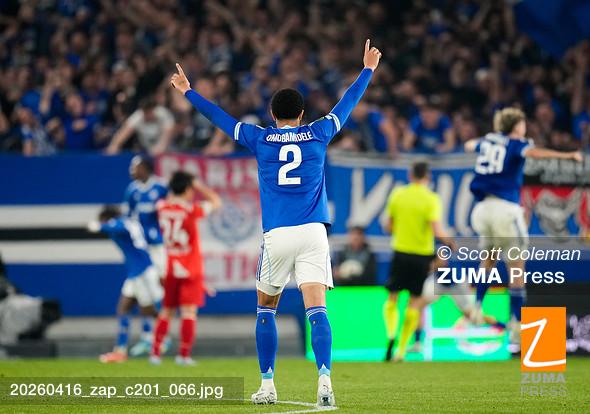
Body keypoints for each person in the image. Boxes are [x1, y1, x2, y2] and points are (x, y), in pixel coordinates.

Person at [169, 39, 382, 407]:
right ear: (302, 113)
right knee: (317, 310)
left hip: (278, 235)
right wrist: (367, 70)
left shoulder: (261, 138)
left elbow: (220, 118)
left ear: (271, 112)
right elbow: (347, 103)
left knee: (266, 309)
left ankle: (267, 385)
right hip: (314, 232)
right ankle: (325, 383)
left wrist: (189, 92)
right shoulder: (319, 132)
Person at [465, 107, 582, 351]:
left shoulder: (489, 140)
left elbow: (469, 145)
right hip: (506, 210)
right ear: (516, 126)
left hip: (482, 209)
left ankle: (476, 307)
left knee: (488, 260)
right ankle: (516, 323)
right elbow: (534, 153)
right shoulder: (517, 143)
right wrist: (567, 156)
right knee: (516, 267)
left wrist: (481, 142)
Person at [382, 161, 456, 362]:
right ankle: (401, 351)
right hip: (422, 256)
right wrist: (449, 242)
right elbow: (437, 230)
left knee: (392, 298)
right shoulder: (431, 198)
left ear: (410, 175)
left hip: (401, 252)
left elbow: (388, 226)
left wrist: (403, 230)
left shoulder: (398, 194)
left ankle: (391, 333)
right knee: (414, 302)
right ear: (428, 177)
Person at [150, 171, 222, 365]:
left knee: (167, 311)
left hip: (170, 266)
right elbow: (216, 201)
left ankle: (155, 353)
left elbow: (167, 199)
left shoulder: (161, 207)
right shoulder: (191, 210)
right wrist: (198, 185)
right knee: (189, 312)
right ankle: (183, 355)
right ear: (188, 189)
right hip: (190, 267)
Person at [87, 205, 163, 363]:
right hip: (136, 272)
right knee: (123, 308)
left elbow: (117, 227)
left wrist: (99, 226)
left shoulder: (121, 223)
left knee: (147, 310)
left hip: (143, 272)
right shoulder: (129, 222)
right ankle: (120, 350)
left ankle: (160, 337)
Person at [122, 155, 168, 356]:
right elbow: (127, 218)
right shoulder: (132, 191)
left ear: (146, 168)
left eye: (136, 167)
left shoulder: (161, 188)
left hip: (158, 248)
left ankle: (160, 336)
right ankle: (149, 336)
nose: (132, 170)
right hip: (142, 250)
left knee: (160, 288)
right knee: (143, 293)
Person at [106, 98, 174, 155]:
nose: (147, 115)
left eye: (149, 112)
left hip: (168, 150)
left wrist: (160, 147)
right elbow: (123, 133)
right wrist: (114, 145)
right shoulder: (137, 116)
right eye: (145, 113)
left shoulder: (163, 113)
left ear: (154, 109)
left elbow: (168, 134)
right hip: (145, 150)